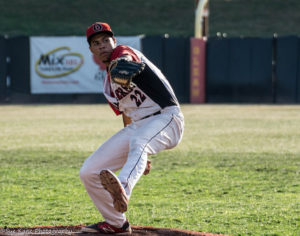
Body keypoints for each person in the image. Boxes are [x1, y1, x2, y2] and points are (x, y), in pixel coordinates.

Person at [79, 22, 184, 234]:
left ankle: (123, 189)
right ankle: (117, 223)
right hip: (140, 127)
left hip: (167, 117)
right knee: (89, 171)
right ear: (91, 50)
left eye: (106, 40)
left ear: (114, 41)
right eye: (96, 43)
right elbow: (127, 114)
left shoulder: (123, 53)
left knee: (139, 142)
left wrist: (122, 64)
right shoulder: (108, 85)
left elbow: (126, 57)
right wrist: (138, 157)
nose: (102, 46)